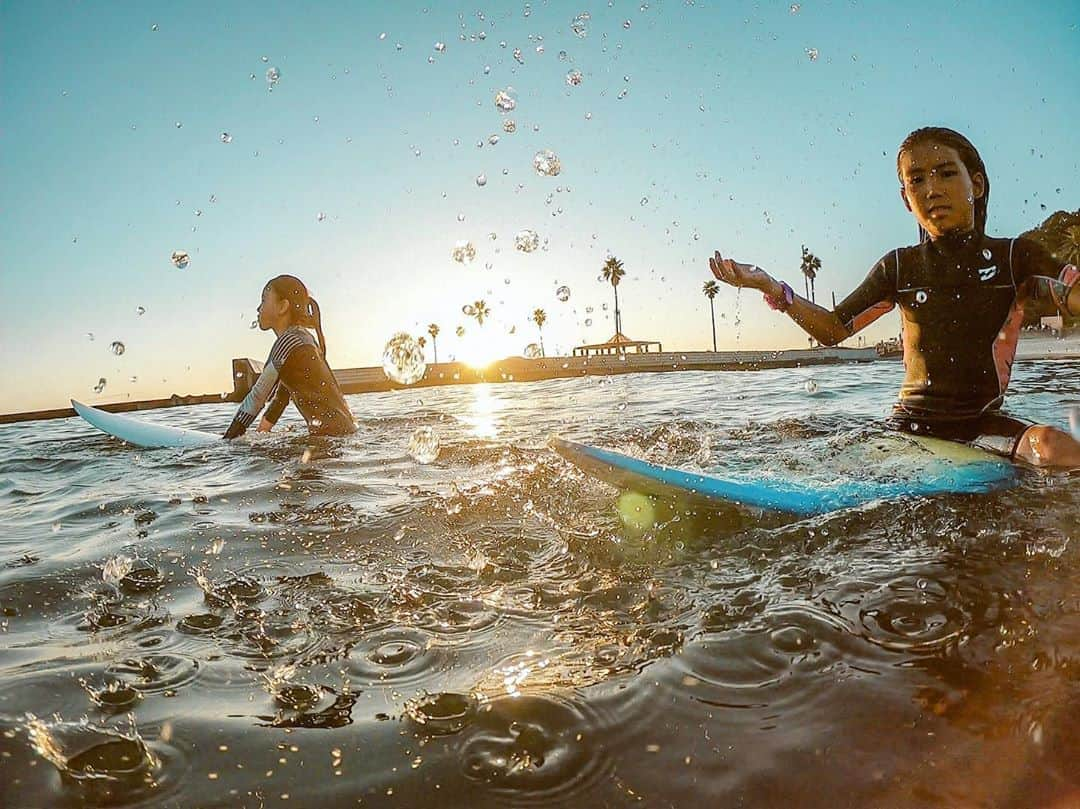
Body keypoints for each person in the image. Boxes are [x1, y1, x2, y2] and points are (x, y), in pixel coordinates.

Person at [708, 127, 1079, 467]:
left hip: (982, 425)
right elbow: (834, 329)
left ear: (976, 184)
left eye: (946, 173)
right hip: (909, 428)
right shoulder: (899, 267)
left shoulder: (1017, 257)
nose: (932, 189)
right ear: (906, 199)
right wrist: (771, 286)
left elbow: (1071, 295)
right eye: (916, 179)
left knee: (1052, 446)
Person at [224, 275, 356, 439]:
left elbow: (258, 396)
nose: (258, 308)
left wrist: (228, 441)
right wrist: (261, 434)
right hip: (344, 434)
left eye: (264, 300)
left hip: (330, 436)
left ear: (282, 307)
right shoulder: (304, 339)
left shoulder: (288, 341)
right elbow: (281, 399)